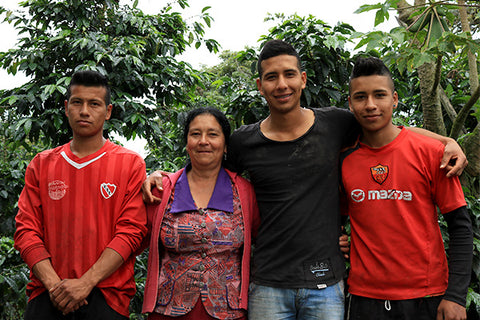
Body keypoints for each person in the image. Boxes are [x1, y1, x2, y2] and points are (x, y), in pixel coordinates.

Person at [143, 40, 468, 320]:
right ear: (260, 85)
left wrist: (445, 142)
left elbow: (387, 129)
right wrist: (164, 178)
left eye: (288, 74)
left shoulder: (336, 124)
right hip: (268, 284)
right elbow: (206, 164)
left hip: (326, 285)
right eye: (271, 77)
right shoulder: (244, 141)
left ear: (303, 79)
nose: (281, 84)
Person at [341, 57, 473, 320]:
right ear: (350, 103)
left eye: (379, 95)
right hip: (365, 299)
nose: (370, 105)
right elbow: (329, 217)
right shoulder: (343, 159)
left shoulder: (433, 153)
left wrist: (456, 296)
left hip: (426, 297)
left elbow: (461, 226)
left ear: (395, 99)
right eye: (360, 97)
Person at [14, 70, 147, 319]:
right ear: (66, 107)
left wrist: (86, 282)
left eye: (94, 104)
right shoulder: (41, 164)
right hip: (46, 294)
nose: (84, 111)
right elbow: (25, 231)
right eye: (77, 102)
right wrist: (55, 285)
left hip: (107, 298)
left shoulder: (130, 164)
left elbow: (131, 232)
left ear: (107, 112)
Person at [141, 107, 260, 320]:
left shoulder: (244, 192)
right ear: (187, 143)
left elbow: (267, 240)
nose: (203, 141)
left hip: (228, 312)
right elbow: (135, 237)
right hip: (168, 311)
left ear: (225, 145)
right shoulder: (162, 190)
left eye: (213, 134)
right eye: (195, 134)